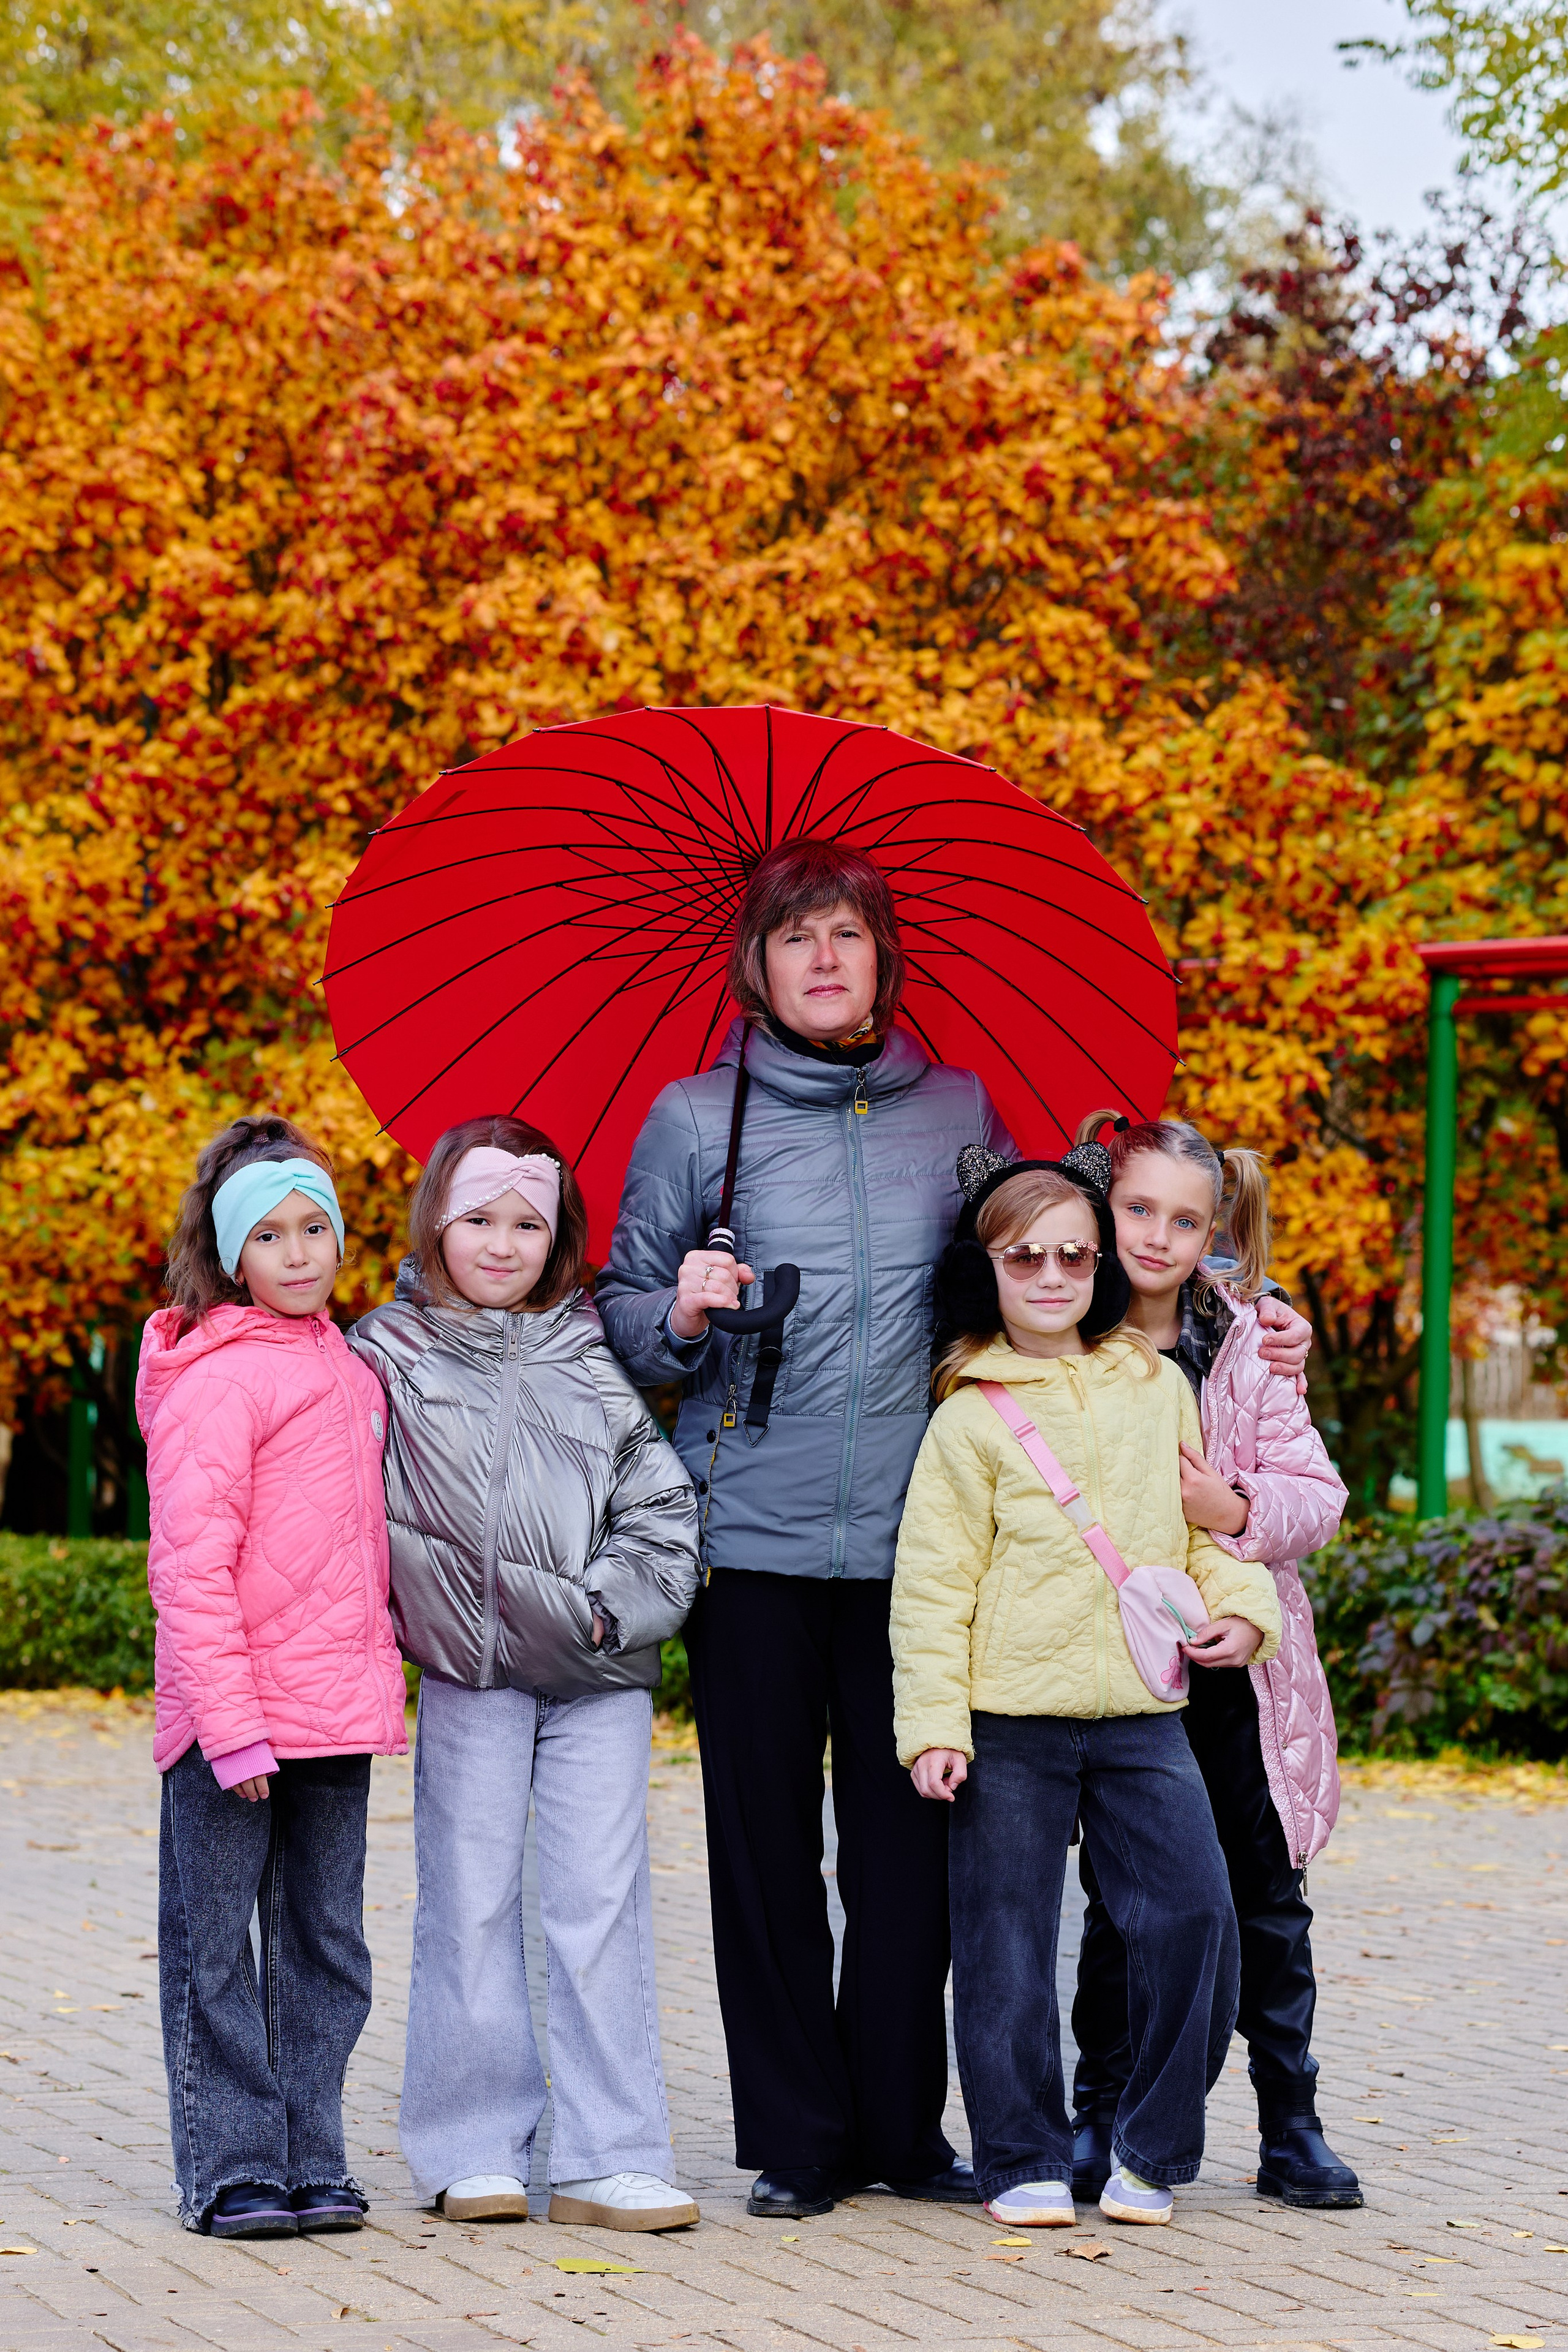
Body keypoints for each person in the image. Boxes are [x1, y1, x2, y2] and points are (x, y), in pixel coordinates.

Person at [595, 837, 1014, 2220]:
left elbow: (1026, 1283)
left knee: (908, 1846)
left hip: (922, 1547)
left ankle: (902, 2129)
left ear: (883, 958)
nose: (824, 959)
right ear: (755, 967)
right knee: (762, 1850)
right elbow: (617, 1309)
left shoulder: (956, 1109)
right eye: (795, 939)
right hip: (747, 1541)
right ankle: (796, 2136)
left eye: (845, 935)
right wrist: (683, 1312)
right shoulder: (688, 1119)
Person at [889, 1148, 1283, 2227]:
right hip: (1009, 1717)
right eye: (1027, 1257)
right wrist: (933, 1724)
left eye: (1074, 1254)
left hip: (1144, 1714)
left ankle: (1152, 2154)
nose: (1053, 1275)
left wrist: (1246, 1610)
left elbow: (1199, 1533)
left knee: (1198, 1918)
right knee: (1004, 1943)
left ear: (1102, 1264)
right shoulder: (967, 1416)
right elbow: (932, 1586)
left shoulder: (1158, 1386)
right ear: (991, 1271)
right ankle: (1017, 2159)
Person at [347, 1117, 702, 2231]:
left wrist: (605, 1610)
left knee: (598, 1904)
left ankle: (613, 2154)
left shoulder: (589, 1356)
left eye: (528, 1226)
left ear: (558, 1241)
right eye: (480, 1221)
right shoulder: (382, 1354)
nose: (503, 1245)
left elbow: (663, 1511)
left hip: (596, 1674)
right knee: (469, 1897)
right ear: (437, 1225)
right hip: (470, 1673)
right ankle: (471, 2143)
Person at [1067, 1113, 1359, 2210]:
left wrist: (1226, 1506)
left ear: (1215, 1231)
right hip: (1124, 1665)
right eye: (1137, 1209)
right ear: (1105, 1207)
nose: (1157, 1235)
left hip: (1242, 1669)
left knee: (1267, 1897)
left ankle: (1291, 2123)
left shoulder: (1246, 1342)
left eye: (1184, 1220)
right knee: (1121, 1899)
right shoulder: (1071, 1337)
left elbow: (1317, 1497)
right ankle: (1101, 2112)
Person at [138, 1115, 409, 2241]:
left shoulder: (351, 1370)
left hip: (333, 1717)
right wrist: (233, 1728)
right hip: (229, 1727)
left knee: (325, 1947)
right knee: (217, 1947)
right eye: (273, 1236)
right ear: (232, 1254)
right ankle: (234, 2166)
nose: (300, 1254)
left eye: (318, 1229)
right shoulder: (218, 1378)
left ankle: (314, 2156)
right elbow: (190, 1569)